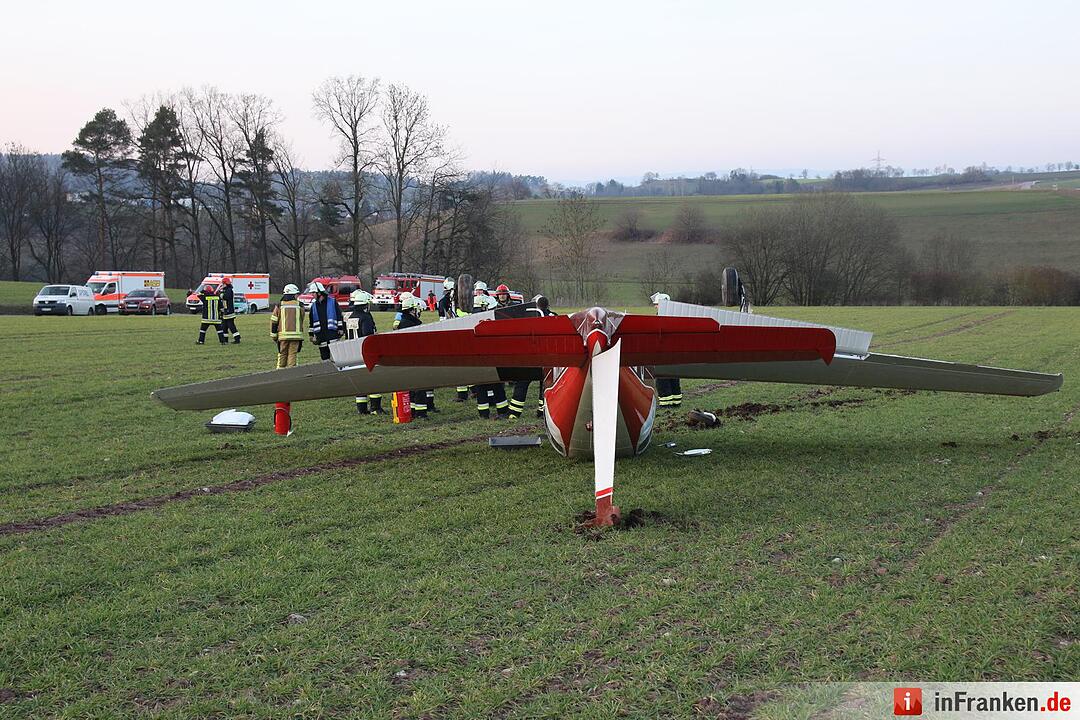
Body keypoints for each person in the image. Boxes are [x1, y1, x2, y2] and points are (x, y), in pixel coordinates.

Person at [508, 294, 557, 419]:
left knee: (522, 384)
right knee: (545, 384)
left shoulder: (527, 317)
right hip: (547, 357)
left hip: (531, 357)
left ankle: (514, 413)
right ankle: (542, 412)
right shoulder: (554, 316)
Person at [393, 292, 432, 419]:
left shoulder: (403, 322)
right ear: (412, 310)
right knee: (420, 387)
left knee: (412, 387)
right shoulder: (412, 325)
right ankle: (421, 413)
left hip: (406, 360)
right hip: (415, 359)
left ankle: (413, 411)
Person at [471, 293, 509, 418]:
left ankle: (483, 413)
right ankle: (502, 411)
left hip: (477, 359)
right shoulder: (486, 320)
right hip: (490, 358)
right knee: (497, 385)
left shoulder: (471, 318)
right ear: (484, 307)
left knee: (481, 386)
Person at [344, 289, 382, 414]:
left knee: (359, 381)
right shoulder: (365, 317)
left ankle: (361, 409)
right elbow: (368, 335)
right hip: (364, 352)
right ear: (365, 304)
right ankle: (375, 408)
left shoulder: (350, 317)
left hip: (352, 352)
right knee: (374, 380)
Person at [650, 291, 682, 408]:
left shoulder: (661, 317)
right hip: (674, 353)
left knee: (662, 378)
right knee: (673, 376)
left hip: (663, 353)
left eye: (657, 304)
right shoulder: (674, 315)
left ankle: (665, 404)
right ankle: (676, 401)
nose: (655, 306)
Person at [270, 284, 305, 368]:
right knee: (292, 355)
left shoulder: (279, 305)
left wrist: (274, 336)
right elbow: (302, 318)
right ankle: (291, 373)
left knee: (282, 354)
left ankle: (280, 373)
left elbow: (274, 321)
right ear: (293, 294)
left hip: (282, 337)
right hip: (296, 336)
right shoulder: (300, 305)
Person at [308, 281, 343, 361]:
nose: (312, 295)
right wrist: (311, 335)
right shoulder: (313, 306)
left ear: (319, 293)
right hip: (321, 336)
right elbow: (311, 322)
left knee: (336, 358)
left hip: (332, 334)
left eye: (313, 293)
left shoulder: (332, 302)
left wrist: (340, 329)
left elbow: (339, 316)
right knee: (325, 359)